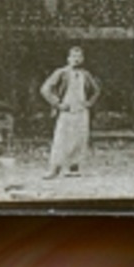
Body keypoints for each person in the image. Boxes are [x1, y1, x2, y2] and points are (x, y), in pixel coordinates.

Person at [39, 46, 100, 179]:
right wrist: (58, 104)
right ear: (68, 58)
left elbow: (96, 90)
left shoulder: (86, 74)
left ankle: (73, 167)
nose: (76, 59)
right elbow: (45, 89)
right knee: (61, 139)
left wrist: (89, 103)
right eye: (73, 56)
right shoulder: (61, 72)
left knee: (79, 139)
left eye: (79, 57)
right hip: (66, 111)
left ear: (83, 59)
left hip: (81, 111)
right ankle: (54, 169)